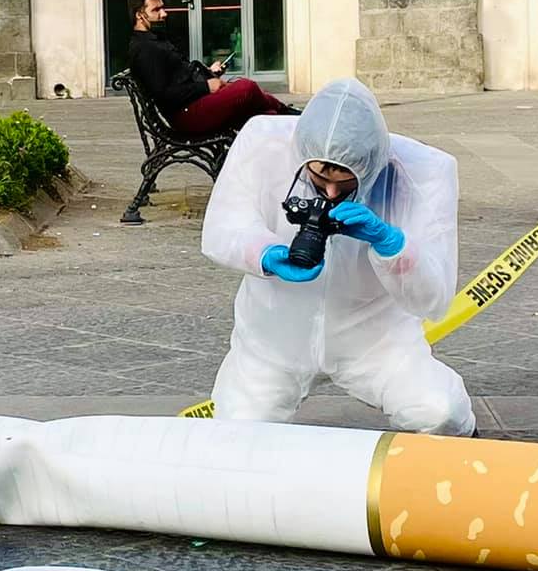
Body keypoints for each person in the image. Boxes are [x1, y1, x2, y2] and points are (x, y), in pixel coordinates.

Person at [201, 76, 476, 435]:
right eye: (318, 179)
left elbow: (434, 299)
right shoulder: (264, 143)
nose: (330, 193)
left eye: (345, 183)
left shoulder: (423, 172)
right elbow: (224, 225)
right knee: (236, 435)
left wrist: (393, 246)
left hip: (377, 339)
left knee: (441, 412)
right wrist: (264, 253)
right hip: (273, 337)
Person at [125, 0, 291, 138]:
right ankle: (289, 115)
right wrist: (206, 86)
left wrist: (209, 73)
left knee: (259, 109)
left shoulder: (155, 40)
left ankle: (285, 118)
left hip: (194, 104)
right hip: (187, 115)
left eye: (163, 8)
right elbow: (164, 95)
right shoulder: (145, 49)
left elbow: (180, 74)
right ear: (139, 15)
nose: (164, 14)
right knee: (246, 88)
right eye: (156, 10)